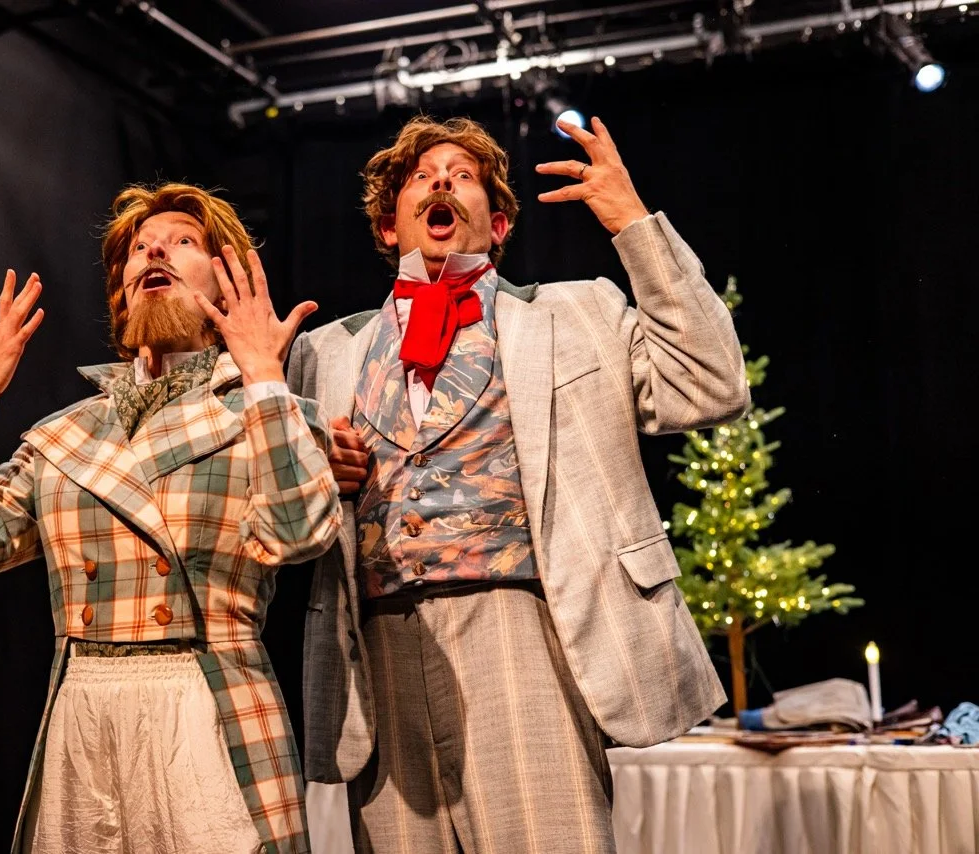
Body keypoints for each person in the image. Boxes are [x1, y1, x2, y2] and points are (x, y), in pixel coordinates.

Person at [286, 116, 749, 853]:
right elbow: (279, 507)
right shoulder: (323, 353)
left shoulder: (579, 312)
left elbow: (710, 383)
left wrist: (632, 224)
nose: (441, 181)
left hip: (524, 630)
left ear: (498, 224)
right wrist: (319, 468)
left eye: (463, 176)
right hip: (374, 651)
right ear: (387, 225)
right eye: (420, 177)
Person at [0, 182, 340, 854]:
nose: (154, 251)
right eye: (140, 248)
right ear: (122, 292)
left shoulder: (266, 412)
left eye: (182, 241)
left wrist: (262, 378)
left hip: (209, 706)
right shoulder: (65, 435)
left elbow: (300, 533)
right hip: (82, 713)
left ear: (226, 286)